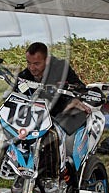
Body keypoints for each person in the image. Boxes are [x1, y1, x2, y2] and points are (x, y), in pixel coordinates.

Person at [15, 42, 91, 175]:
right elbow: (14, 95)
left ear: (47, 60)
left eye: (37, 63)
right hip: (35, 117)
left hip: (61, 112)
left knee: (52, 137)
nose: (32, 68)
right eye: (29, 63)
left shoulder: (61, 68)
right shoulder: (24, 75)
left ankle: (55, 174)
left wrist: (74, 99)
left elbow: (80, 87)